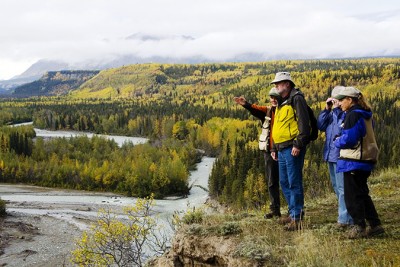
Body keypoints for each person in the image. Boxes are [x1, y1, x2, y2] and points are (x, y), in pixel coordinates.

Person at [334, 86, 384, 239]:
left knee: (352, 196)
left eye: (342, 100)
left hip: (354, 160)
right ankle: (375, 225)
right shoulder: (365, 114)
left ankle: (359, 227)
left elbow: (350, 139)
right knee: (362, 193)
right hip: (365, 159)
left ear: (350, 100)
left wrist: (337, 141)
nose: (340, 102)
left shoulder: (353, 115)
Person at [270, 72, 311, 231]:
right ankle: (292, 212)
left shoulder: (296, 98)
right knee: (284, 182)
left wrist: (298, 144)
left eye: (278, 83)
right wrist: (274, 147)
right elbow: (278, 126)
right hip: (281, 148)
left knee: (294, 182)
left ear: (287, 84)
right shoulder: (282, 102)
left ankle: (297, 218)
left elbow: (303, 124)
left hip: (292, 148)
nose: (276, 86)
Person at [233, 87, 282, 218]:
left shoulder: (287, 110)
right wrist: (246, 104)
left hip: (284, 150)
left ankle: (293, 211)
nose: (273, 100)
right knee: (272, 181)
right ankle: (275, 210)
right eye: (271, 97)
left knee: (287, 181)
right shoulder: (267, 111)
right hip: (269, 151)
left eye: (276, 97)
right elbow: (255, 109)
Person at [317, 86, 353, 228]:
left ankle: (344, 219)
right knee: (336, 187)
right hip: (330, 155)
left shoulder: (345, 113)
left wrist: (337, 109)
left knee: (343, 188)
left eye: (338, 99)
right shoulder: (330, 113)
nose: (336, 102)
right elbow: (320, 125)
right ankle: (346, 215)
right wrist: (326, 109)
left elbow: (341, 127)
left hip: (341, 156)